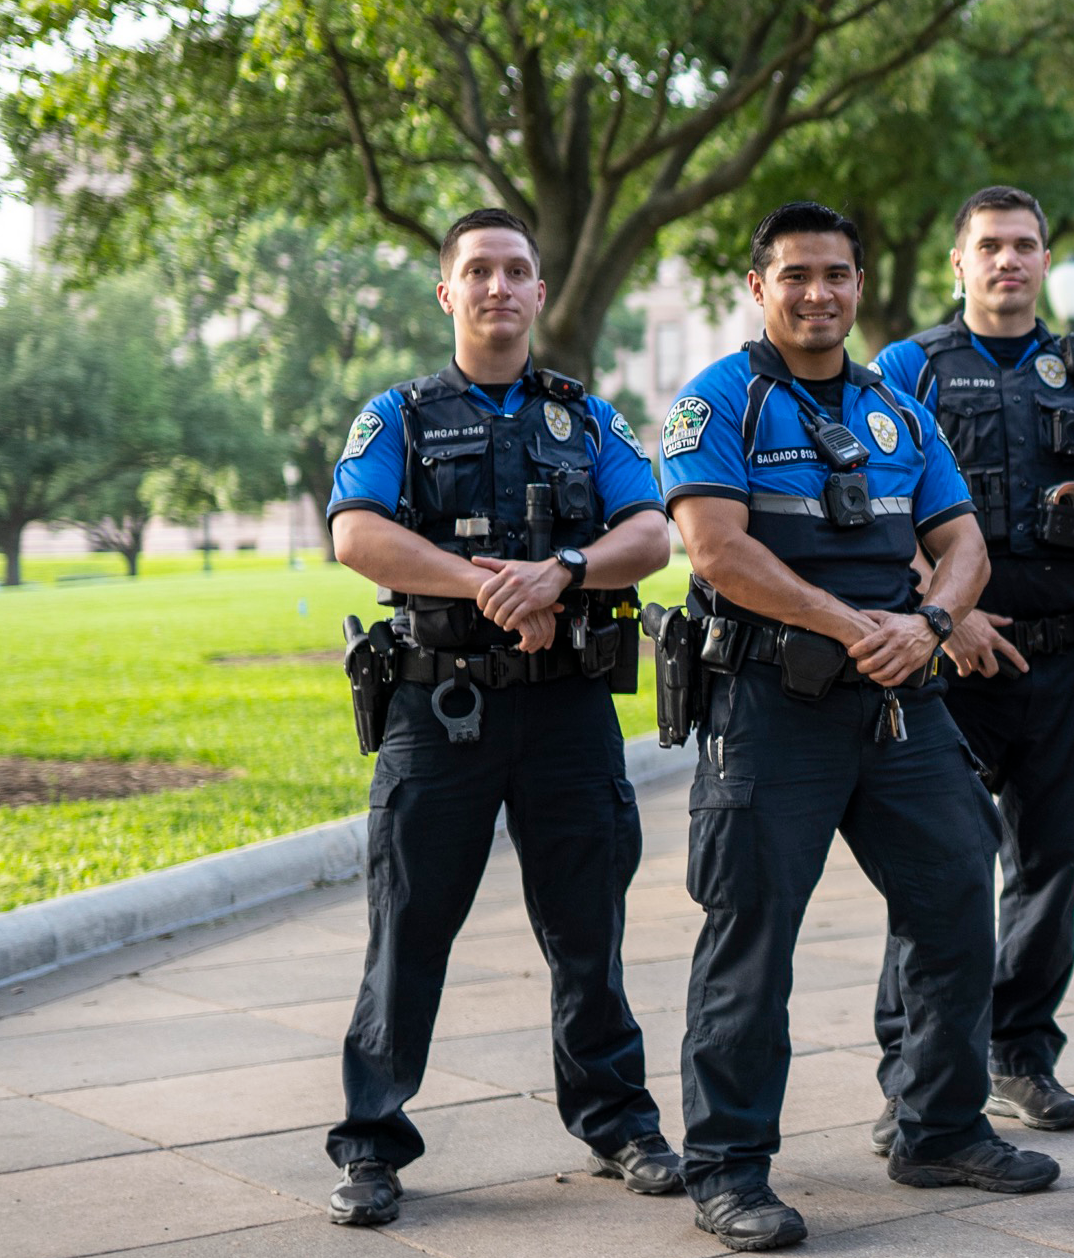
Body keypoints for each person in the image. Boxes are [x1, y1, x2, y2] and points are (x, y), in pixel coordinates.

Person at [657, 201, 1058, 1252]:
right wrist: (853, 625)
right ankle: (731, 1168)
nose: (819, 292)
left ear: (859, 286)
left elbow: (960, 540)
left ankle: (937, 1124)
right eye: (795, 275)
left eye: (837, 274)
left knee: (959, 895)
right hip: (769, 708)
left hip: (897, 704)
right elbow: (716, 550)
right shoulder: (722, 403)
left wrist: (928, 623)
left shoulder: (898, 412)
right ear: (759, 288)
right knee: (752, 940)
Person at [322, 207, 681, 1227]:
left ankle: (618, 1121)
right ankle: (372, 1141)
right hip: (442, 706)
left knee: (588, 930)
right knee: (409, 927)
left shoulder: (587, 417)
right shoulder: (396, 416)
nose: (498, 287)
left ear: (536, 289)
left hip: (567, 708)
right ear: (447, 291)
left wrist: (561, 570)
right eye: (477, 270)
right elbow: (357, 534)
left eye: (517, 269)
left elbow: (650, 533)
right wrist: (490, 589)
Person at [855, 185, 1074, 1145]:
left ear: (1044, 259)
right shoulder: (906, 368)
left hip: (1067, 664)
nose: (1008, 261)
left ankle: (1019, 1054)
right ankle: (914, 1072)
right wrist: (946, 616)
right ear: (960, 261)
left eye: (1025, 245)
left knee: (1052, 864)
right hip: (946, 667)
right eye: (990, 246)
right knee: (934, 870)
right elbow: (876, 508)